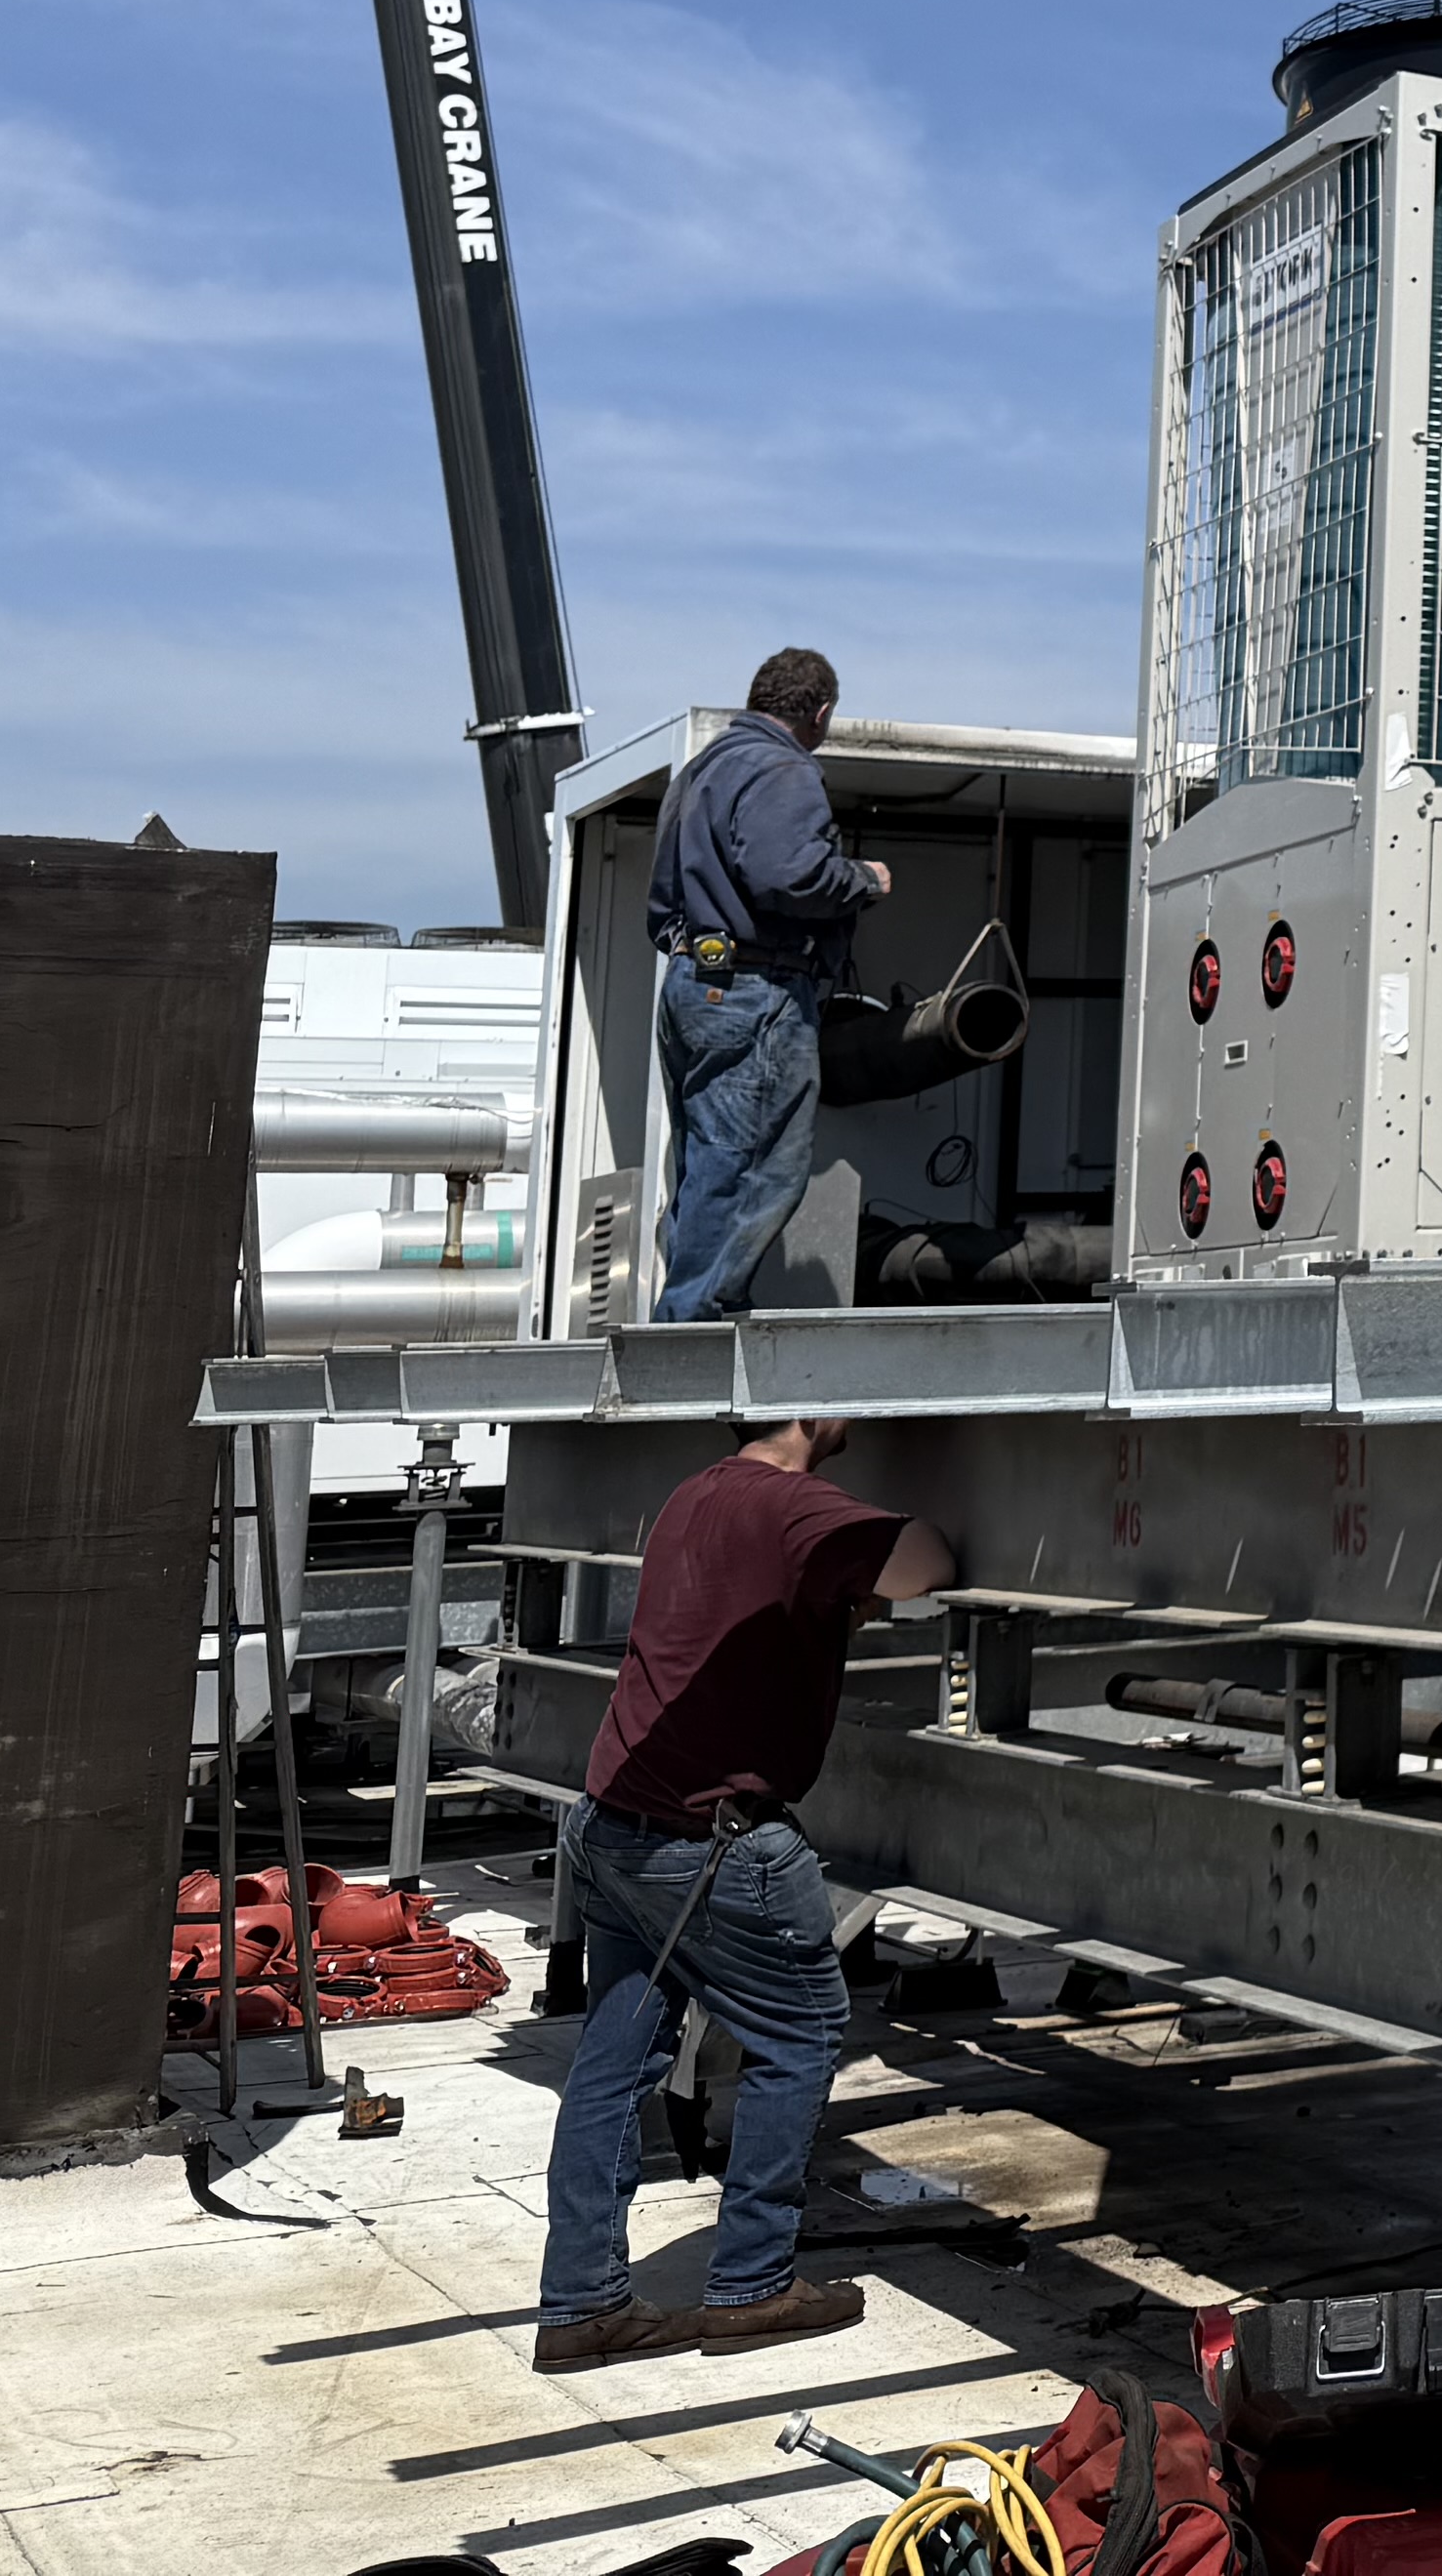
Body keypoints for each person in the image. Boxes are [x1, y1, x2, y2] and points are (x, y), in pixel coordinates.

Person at [531, 1411, 960, 2371]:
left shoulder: (698, 1493)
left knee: (615, 2059)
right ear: (812, 1410)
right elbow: (928, 1562)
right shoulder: (798, 1506)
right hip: (714, 1841)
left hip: (612, 1820)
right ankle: (752, 2285)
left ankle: (581, 2302)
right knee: (799, 2034)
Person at [647, 647, 891, 1321]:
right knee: (757, 1166)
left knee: (707, 1162)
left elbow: (664, 897)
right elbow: (790, 876)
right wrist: (863, 879)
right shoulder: (785, 769)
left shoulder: (702, 770)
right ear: (820, 713)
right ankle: (693, 1326)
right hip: (753, 989)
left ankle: (690, 1307)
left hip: (692, 981)